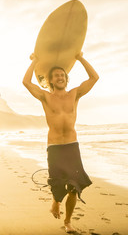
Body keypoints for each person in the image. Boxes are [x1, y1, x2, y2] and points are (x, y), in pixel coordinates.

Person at [23, 52, 99, 233]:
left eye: (63, 75)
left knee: (74, 186)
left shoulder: (74, 94)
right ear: (50, 80)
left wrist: (80, 58)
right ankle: (55, 201)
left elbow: (94, 77)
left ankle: (67, 221)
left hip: (72, 147)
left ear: (67, 78)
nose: (60, 77)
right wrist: (35, 61)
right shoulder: (45, 97)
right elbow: (26, 82)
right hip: (55, 147)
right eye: (56, 75)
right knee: (57, 183)